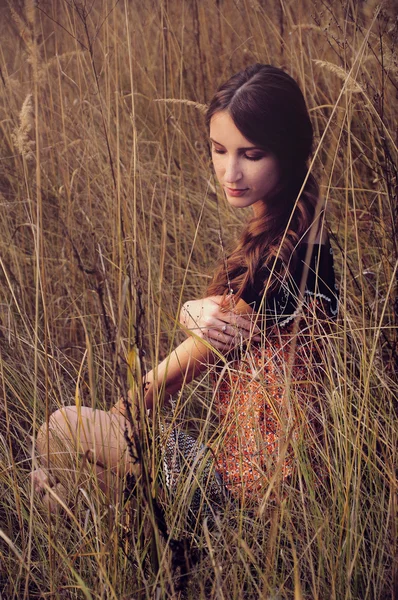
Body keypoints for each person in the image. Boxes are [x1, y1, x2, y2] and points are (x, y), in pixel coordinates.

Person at [32, 64, 338, 520]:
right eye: (219, 150)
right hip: (266, 483)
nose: (230, 171)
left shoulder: (282, 254)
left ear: (289, 152)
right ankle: (122, 533)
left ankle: (84, 526)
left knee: (60, 429)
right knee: (81, 471)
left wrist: (116, 422)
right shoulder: (307, 218)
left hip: (243, 491)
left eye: (252, 154)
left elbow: (171, 377)